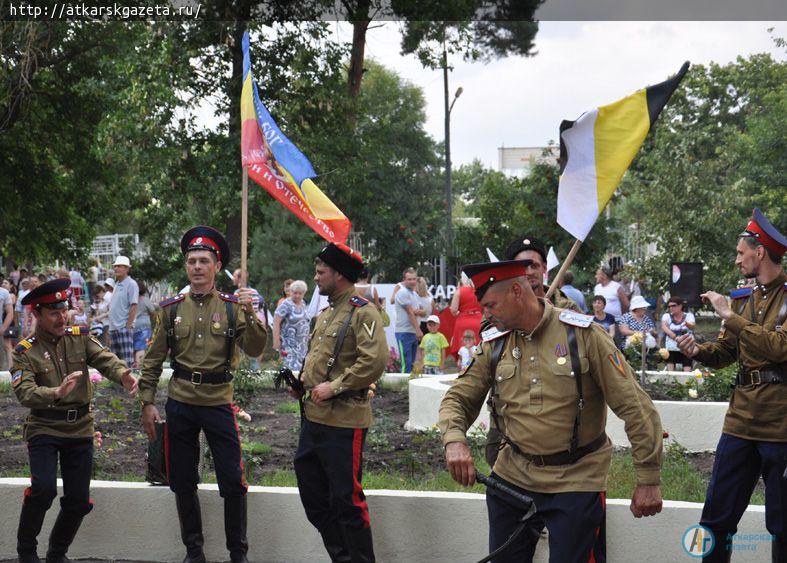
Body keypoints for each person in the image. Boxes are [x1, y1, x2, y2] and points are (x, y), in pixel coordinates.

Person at [439, 259, 663, 562]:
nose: (486, 314)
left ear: (516, 291)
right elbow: (458, 398)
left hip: (577, 478)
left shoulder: (583, 336)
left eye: (491, 305)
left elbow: (635, 406)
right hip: (512, 476)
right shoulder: (495, 343)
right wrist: (454, 440)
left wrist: (648, 478)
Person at [138, 226, 267, 563]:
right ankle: (193, 551)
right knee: (182, 481)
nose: (197, 266)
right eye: (192, 261)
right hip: (181, 403)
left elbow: (256, 349)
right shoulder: (170, 309)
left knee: (233, 480)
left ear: (216, 266)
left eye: (204, 261)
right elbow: (152, 360)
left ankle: (237, 553)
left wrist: (251, 312)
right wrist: (147, 402)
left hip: (217, 403)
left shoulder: (233, 307)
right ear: (186, 266)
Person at [677, 208, 787, 562]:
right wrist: (698, 351)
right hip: (740, 424)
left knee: (783, 527)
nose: (737, 259)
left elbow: (779, 347)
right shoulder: (742, 299)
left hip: (780, 427)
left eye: (741, 253)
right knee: (714, 521)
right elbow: (726, 352)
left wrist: (729, 316)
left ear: (760, 252)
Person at [11, 278, 137, 563]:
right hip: (44, 426)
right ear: (37, 314)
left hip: (80, 428)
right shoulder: (25, 351)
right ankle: (26, 552)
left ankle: (57, 554)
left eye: (64, 310)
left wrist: (123, 374)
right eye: (53, 313)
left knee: (78, 501)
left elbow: (104, 358)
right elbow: (25, 393)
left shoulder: (79, 337)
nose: (62, 318)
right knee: (43, 490)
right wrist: (56, 392)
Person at [290, 242, 387, 563]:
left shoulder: (363, 311)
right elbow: (318, 359)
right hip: (313, 418)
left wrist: (334, 387)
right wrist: (302, 383)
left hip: (344, 422)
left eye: (321, 272)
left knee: (347, 500)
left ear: (340, 275)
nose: (315, 277)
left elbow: (374, 361)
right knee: (313, 497)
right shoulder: (326, 313)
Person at [504, 236, 582, 312]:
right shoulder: (504, 310)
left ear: (544, 268)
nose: (530, 272)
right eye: (523, 268)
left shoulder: (568, 307)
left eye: (534, 266)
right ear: (513, 272)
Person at [272, 279, 310, 372]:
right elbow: (276, 322)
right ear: (290, 292)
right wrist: (276, 342)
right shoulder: (286, 304)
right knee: (289, 371)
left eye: (300, 293)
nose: (297, 295)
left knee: (301, 371)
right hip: (288, 344)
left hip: (302, 345)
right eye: (295, 293)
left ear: (304, 293)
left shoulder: (303, 303)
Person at [107, 256, 138, 367]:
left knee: (126, 362)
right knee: (114, 363)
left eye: (119, 266)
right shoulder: (116, 284)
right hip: (113, 329)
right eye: (115, 266)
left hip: (123, 328)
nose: (116, 268)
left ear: (127, 269)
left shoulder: (131, 284)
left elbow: (134, 305)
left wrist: (128, 326)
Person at [394, 267, 423, 372]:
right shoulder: (402, 292)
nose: (412, 281)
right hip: (404, 332)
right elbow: (410, 313)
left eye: (414, 279)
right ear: (404, 280)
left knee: (411, 364)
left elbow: (423, 311)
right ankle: (403, 383)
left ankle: (408, 382)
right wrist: (418, 330)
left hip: (412, 332)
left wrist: (416, 311)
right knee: (406, 365)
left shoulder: (414, 294)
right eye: (409, 279)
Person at [449, 273, 483, 359]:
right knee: (480, 348)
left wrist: (459, 313)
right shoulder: (480, 290)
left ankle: (463, 364)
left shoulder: (459, 291)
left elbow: (453, 310)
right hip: (478, 322)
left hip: (463, 322)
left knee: (462, 347)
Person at [660, 296, 695, 371]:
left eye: (673, 306)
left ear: (680, 306)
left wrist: (687, 324)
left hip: (686, 345)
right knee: (670, 362)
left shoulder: (689, 315)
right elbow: (664, 327)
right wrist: (675, 337)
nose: (671, 308)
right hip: (671, 345)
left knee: (687, 365)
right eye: (669, 306)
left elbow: (692, 326)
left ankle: (687, 376)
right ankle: (671, 376)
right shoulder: (666, 316)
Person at [132, 282, 157, 369]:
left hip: (132, 326)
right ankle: (139, 367)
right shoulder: (145, 300)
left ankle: (134, 366)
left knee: (134, 347)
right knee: (141, 347)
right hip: (144, 326)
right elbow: (153, 312)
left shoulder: (130, 300)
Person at [2, 279, 17, 369]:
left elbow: (7, 308)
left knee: (7, 345)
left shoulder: (11, 295)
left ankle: (11, 366)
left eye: (6, 283)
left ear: (11, 285)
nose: (4, 284)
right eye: (3, 283)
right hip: (4, 320)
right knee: (6, 345)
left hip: (8, 321)